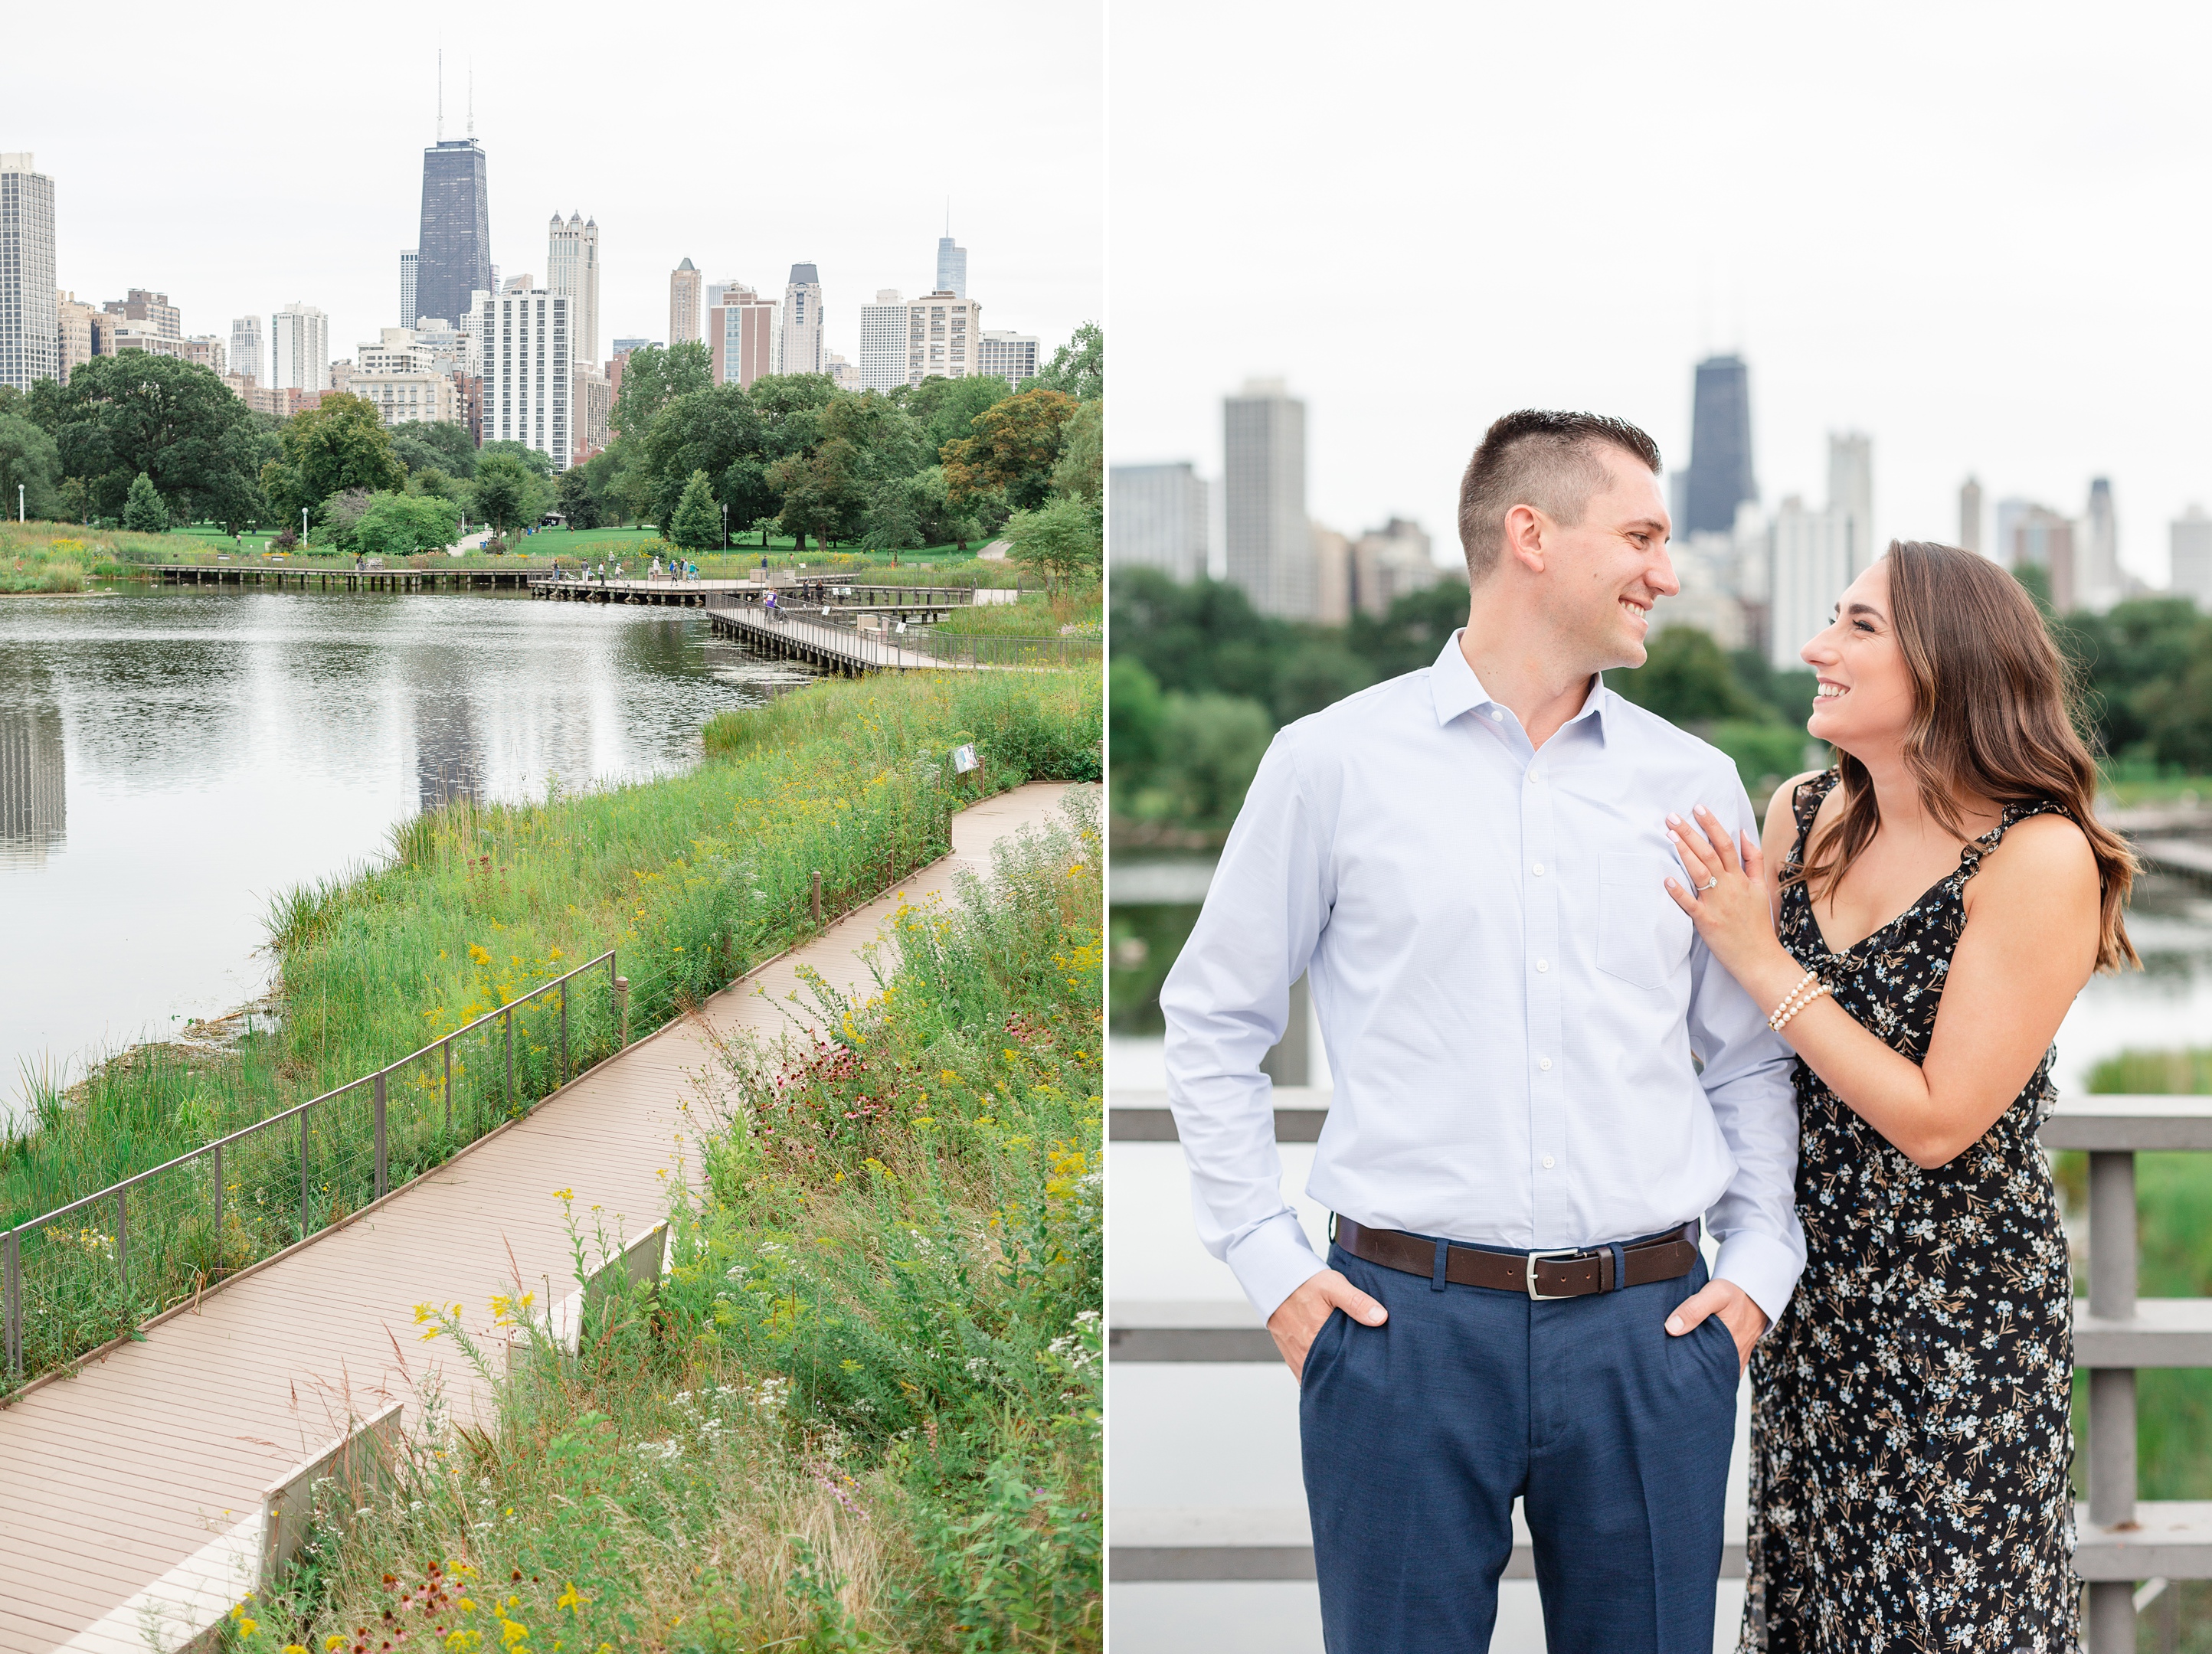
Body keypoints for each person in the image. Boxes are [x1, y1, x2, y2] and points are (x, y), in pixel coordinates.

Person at [1161, 410, 1802, 1654]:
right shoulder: (1328, 763)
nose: (1667, 574)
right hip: (1397, 1338)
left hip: (1653, 1339)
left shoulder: (1694, 782)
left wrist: (1759, 1266)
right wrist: (1269, 1266)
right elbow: (1214, 1018)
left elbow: (1745, 1055)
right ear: (1531, 536)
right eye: (1641, 538)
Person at [1659, 541, 2133, 1652]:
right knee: (1815, 1611)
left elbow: (1937, 1120)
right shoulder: (1802, 810)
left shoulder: (2038, 856)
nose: (1816, 647)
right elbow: (1738, 1057)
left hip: (1959, 1317)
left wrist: (1762, 960)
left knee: (1946, 1622)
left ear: (1947, 662)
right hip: (1810, 1297)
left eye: (1858, 626)